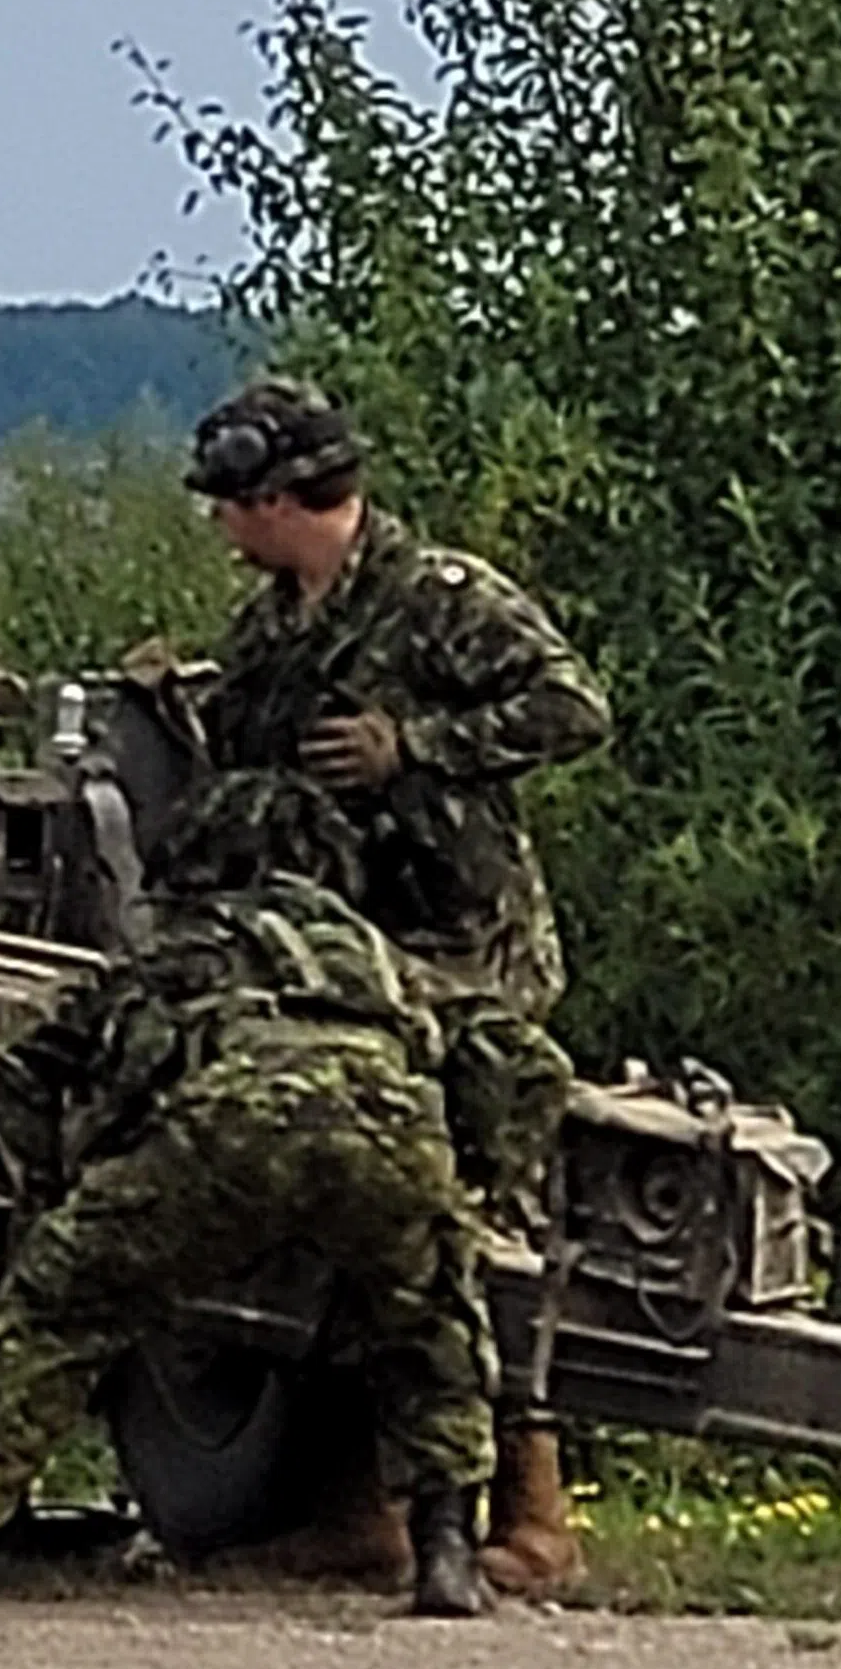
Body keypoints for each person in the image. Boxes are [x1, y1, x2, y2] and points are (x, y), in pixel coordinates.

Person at [164, 377, 612, 1593]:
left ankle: (534, 1517)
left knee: (478, 1227)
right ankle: (359, 1509)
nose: (220, 526)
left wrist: (416, 746)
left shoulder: (439, 600)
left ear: (281, 498)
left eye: (233, 505)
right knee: (342, 1211)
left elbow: (573, 706)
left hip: (465, 957)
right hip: (342, 962)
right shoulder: (271, 629)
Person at [0, 873, 498, 1626]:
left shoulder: (177, 955)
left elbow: (22, 1060)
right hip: (390, 1124)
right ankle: (447, 1552)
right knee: (432, 1325)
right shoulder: (379, 960)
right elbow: (519, 1058)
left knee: (57, 1314)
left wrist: (55, 1188)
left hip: (229, 1125)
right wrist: (477, 1177)